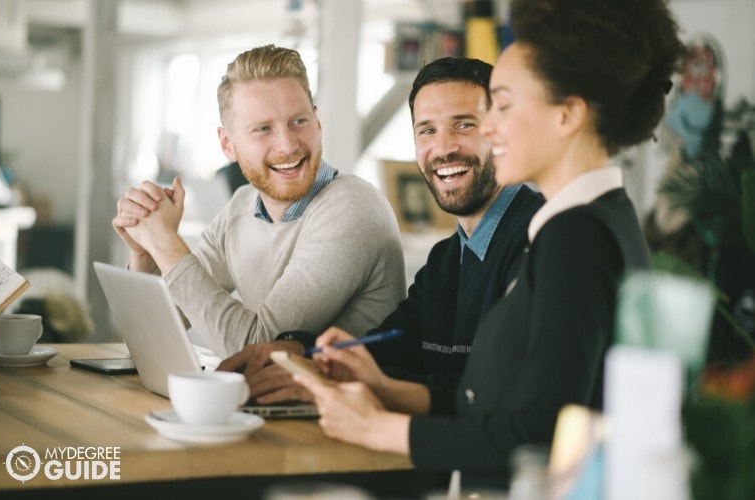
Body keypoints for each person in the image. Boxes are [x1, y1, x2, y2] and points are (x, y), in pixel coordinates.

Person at [293, 0, 684, 490]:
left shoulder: (576, 237)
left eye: (504, 105)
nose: (490, 127)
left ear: (566, 115)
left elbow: (540, 434)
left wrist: (381, 428)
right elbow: (501, 402)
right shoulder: (592, 221)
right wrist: (387, 389)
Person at [218, 57, 543, 403]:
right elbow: (390, 349)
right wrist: (298, 352)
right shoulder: (446, 260)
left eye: (464, 125)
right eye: (427, 130)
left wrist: (343, 385)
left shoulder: (543, 238)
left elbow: (504, 396)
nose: (444, 147)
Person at [112, 45, 406, 357]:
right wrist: (145, 255)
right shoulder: (242, 206)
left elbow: (260, 350)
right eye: (263, 129)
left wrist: (165, 244)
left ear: (317, 124)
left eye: (298, 122)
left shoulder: (352, 208)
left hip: (347, 405)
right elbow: (149, 334)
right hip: (267, 403)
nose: (288, 145)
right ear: (228, 144)